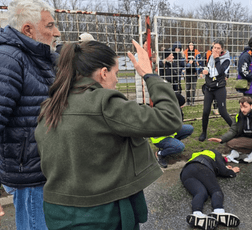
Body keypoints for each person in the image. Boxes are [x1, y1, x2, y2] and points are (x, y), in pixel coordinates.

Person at [34, 40, 183, 229]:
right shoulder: (104, 103)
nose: (117, 80)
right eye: (116, 73)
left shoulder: (50, 106)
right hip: (103, 215)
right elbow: (169, 118)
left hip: (58, 213)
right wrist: (149, 75)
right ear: (103, 73)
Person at [0, 0, 60, 228]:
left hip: (42, 171)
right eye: (50, 26)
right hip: (29, 176)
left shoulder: (36, 56)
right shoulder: (9, 59)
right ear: (28, 29)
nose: (56, 32)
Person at [209, 96, 252, 177]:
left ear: (251, 106)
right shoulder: (239, 116)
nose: (242, 109)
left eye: (245, 107)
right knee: (229, 143)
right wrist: (221, 139)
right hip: (248, 140)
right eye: (241, 107)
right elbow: (233, 130)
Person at [181, 149, 240, 230]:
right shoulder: (216, 153)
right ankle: (218, 211)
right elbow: (223, 171)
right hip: (201, 167)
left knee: (201, 193)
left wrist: (222, 168)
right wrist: (231, 171)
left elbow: (212, 168)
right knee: (215, 191)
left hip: (185, 172)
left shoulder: (197, 153)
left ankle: (197, 214)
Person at [199, 40, 233, 142]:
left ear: (222, 49)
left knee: (223, 112)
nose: (216, 50)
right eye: (214, 48)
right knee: (205, 111)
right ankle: (204, 132)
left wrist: (217, 59)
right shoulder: (210, 56)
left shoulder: (226, 60)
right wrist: (205, 71)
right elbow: (209, 68)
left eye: (218, 48)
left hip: (219, 88)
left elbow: (220, 71)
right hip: (209, 88)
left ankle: (236, 130)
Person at [151, 93, 194, 168]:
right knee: (180, 147)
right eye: (181, 105)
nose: (182, 107)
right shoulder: (163, 112)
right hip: (159, 138)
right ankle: (160, 154)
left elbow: (179, 123)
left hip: (170, 133)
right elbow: (172, 126)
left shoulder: (172, 109)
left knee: (189, 128)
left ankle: (172, 145)